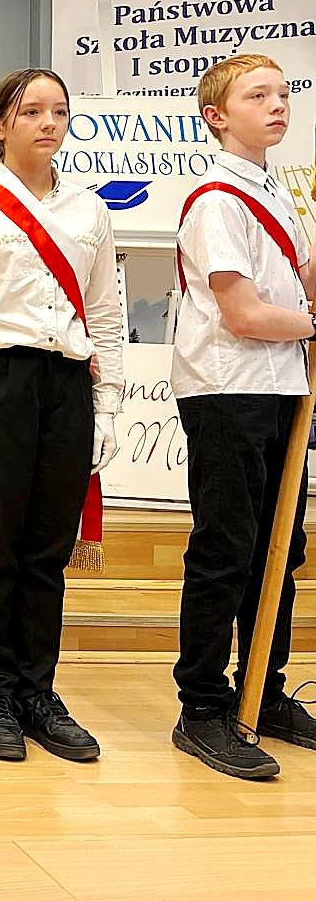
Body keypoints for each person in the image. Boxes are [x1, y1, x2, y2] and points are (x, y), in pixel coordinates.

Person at [0, 68, 123, 764]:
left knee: (47, 548)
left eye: (59, 111)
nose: (48, 123)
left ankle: (38, 691)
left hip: (64, 382)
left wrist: (106, 405)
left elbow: (105, 314)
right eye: (32, 111)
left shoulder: (89, 210)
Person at [169, 53, 316, 779]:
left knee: (280, 548)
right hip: (228, 389)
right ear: (217, 116)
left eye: (283, 94)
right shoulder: (217, 200)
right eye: (258, 95)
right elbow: (246, 315)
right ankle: (202, 705)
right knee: (226, 548)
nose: (278, 104)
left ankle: (264, 687)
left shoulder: (279, 193)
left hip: (283, 386)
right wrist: (314, 324)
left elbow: (300, 286)